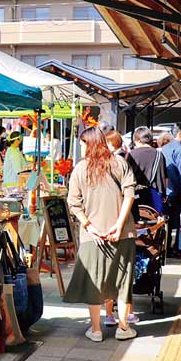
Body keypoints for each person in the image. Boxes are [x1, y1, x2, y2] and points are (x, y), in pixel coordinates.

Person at [66, 126, 138, 342]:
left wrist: (90, 226)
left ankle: (96, 330)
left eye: (82, 143)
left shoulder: (80, 168)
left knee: (94, 281)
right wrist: (119, 224)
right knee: (123, 280)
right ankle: (123, 328)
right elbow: (130, 195)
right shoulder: (120, 163)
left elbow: (73, 203)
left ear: (89, 143)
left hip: (92, 237)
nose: (81, 147)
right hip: (122, 233)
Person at [161, 123, 181, 258]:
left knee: (165, 221)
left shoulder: (164, 148)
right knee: (177, 221)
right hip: (176, 190)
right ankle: (175, 248)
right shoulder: (180, 150)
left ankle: (165, 247)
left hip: (165, 190)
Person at [126, 127, 167, 212]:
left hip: (133, 196)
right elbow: (162, 178)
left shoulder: (131, 155)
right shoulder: (159, 155)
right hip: (153, 196)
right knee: (155, 223)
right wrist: (163, 195)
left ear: (138, 140)